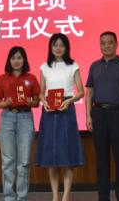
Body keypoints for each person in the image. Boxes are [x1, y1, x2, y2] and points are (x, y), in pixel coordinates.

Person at [85, 32, 119, 201]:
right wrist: (88, 116)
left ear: (116, 44)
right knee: (101, 160)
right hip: (98, 113)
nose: (106, 46)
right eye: (103, 43)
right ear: (99, 45)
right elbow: (89, 92)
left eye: (110, 42)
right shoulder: (94, 66)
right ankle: (103, 197)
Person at [36, 34, 85, 201]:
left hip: (66, 109)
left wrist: (69, 101)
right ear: (50, 47)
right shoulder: (45, 67)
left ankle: (66, 196)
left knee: (67, 154)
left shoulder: (73, 66)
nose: (58, 48)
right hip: (49, 111)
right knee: (52, 155)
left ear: (66, 47)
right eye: (55, 45)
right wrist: (44, 102)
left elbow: (81, 92)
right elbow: (41, 92)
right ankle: (55, 195)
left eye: (61, 45)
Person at [0, 46, 40, 201]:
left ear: (24, 60)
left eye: (19, 58)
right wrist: (5, 103)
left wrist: (31, 102)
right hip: (7, 118)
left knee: (24, 162)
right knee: (8, 161)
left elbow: (36, 102)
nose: (16, 61)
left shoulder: (31, 78)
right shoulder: (2, 78)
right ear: (9, 60)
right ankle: (8, 197)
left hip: (25, 118)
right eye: (13, 58)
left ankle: (22, 197)